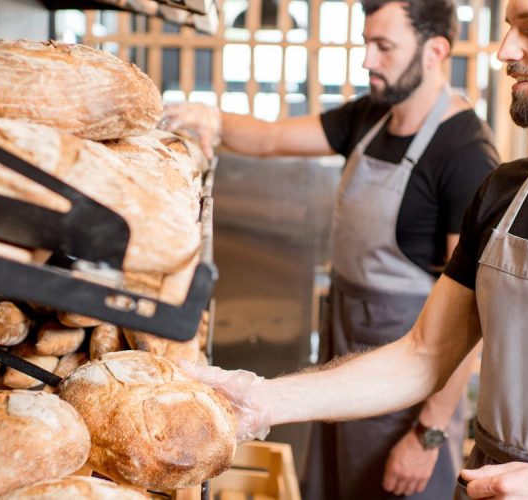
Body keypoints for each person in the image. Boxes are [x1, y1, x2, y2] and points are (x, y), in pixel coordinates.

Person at [174, 0, 528, 498]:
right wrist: (261, 401)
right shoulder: (503, 194)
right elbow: (424, 356)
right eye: (509, 28)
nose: (505, 50)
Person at [164, 1, 498, 498]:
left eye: (384, 47)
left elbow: (468, 320)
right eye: (367, 43)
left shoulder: (465, 153)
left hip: (403, 396)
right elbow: (271, 140)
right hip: (342, 370)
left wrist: (426, 436)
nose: (368, 60)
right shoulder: (370, 115)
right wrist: (206, 116)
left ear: (435, 52)